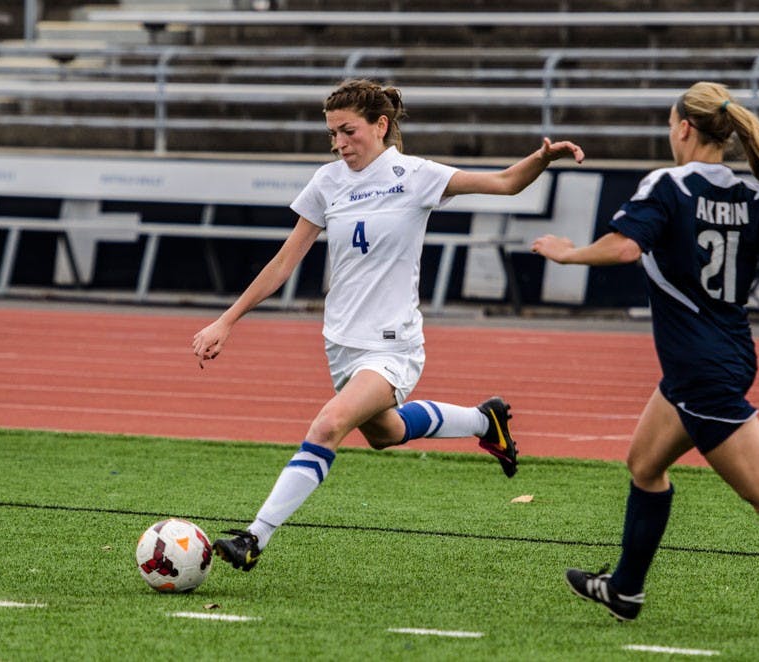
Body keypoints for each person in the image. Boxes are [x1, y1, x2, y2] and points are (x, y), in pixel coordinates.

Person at [192, 79, 585, 571]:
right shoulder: (327, 181)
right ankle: (486, 420)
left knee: (329, 424)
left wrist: (541, 160)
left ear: (381, 126)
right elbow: (283, 264)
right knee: (385, 433)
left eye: (348, 131)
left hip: (393, 345)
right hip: (341, 345)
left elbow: (504, 182)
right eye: (332, 133)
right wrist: (226, 322)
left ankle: (254, 537)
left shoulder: (414, 174)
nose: (339, 144)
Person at [531, 81, 759, 621]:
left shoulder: (669, 185)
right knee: (644, 463)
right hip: (722, 357)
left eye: (670, 125)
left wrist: (567, 256)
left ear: (684, 127)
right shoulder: (749, 195)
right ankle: (625, 589)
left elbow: (625, 247)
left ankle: (625, 587)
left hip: (701, 368)